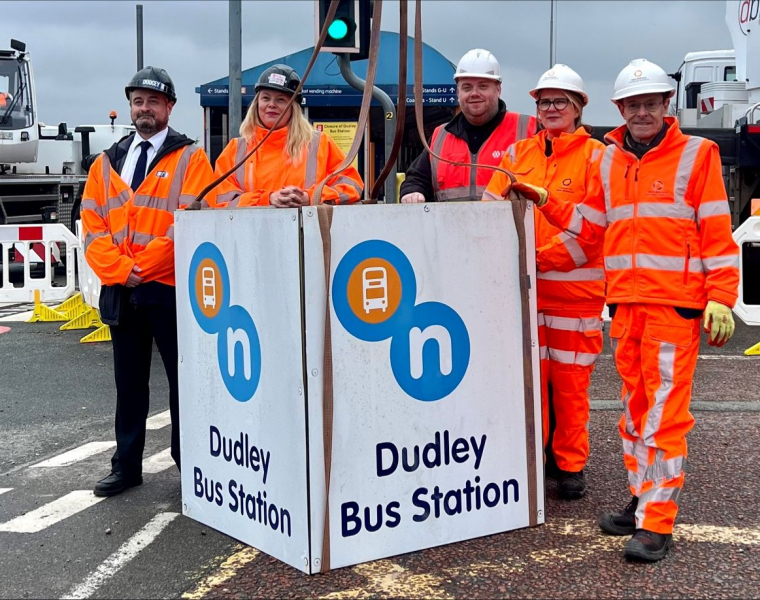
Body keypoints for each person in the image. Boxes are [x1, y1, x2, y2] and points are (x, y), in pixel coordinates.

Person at [509, 58, 740, 562]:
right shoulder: (609, 160)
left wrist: (722, 296)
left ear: (665, 105)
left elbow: (717, 234)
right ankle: (642, 499)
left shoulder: (698, 155)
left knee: (662, 416)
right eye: (633, 105)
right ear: (620, 108)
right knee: (636, 413)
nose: (641, 112)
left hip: (674, 307)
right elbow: (590, 226)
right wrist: (546, 199)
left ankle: (657, 522)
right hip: (626, 305)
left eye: (650, 103)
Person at [81, 66, 217, 497]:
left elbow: (189, 222)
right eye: (138, 101)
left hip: (167, 286)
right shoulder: (107, 162)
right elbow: (92, 226)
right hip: (122, 287)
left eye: (153, 102)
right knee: (129, 382)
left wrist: (144, 266)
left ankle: (189, 464)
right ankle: (126, 465)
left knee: (183, 381)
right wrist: (122, 271)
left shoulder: (191, 158)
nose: (144, 109)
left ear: (169, 107)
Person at [483, 64, 605, 502]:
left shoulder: (596, 157)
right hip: (525, 292)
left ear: (577, 108)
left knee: (570, 388)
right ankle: (532, 458)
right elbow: (489, 208)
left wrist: (537, 260)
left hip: (575, 297)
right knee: (528, 383)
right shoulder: (517, 154)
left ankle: (570, 466)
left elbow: (594, 233)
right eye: (544, 102)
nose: (551, 109)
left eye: (560, 102)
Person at [214, 64, 363, 207]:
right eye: (266, 98)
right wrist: (268, 199)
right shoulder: (236, 149)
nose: (271, 104)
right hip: (252, 232)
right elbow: (220, 198)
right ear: (257, 103)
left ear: (293, 108)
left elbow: (352, 185)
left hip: (307, 231)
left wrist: (311, 197)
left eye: (281, 100)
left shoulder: (320, 144)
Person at [399, 48, 537, 203]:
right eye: (467, 87)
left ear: (498, 89)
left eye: (483, 86)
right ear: (458, 92)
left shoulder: (529, 129)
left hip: (510, 227)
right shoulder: (440, 137)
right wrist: (412, 192)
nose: (474, 93)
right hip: (451, 226)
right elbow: (417, 179)